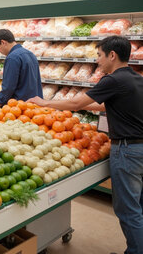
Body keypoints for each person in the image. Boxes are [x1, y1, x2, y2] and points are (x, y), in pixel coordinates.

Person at [28, 36, 143, 254]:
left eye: (99, 55)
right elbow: (114, 105)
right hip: (141, 147)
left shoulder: (112, 80)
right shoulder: (136, 79)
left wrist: (44, 102)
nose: (97, 61)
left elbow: (74, 103)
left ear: (112, 55)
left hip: (127, 151)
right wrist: (91, 108)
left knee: (128, 209)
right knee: (140, 206)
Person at [0, 29, 43, 110]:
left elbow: (9, 86)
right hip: (35, 105)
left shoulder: (12, 58)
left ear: (3, 42)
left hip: (20, 107)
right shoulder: (30, 54)